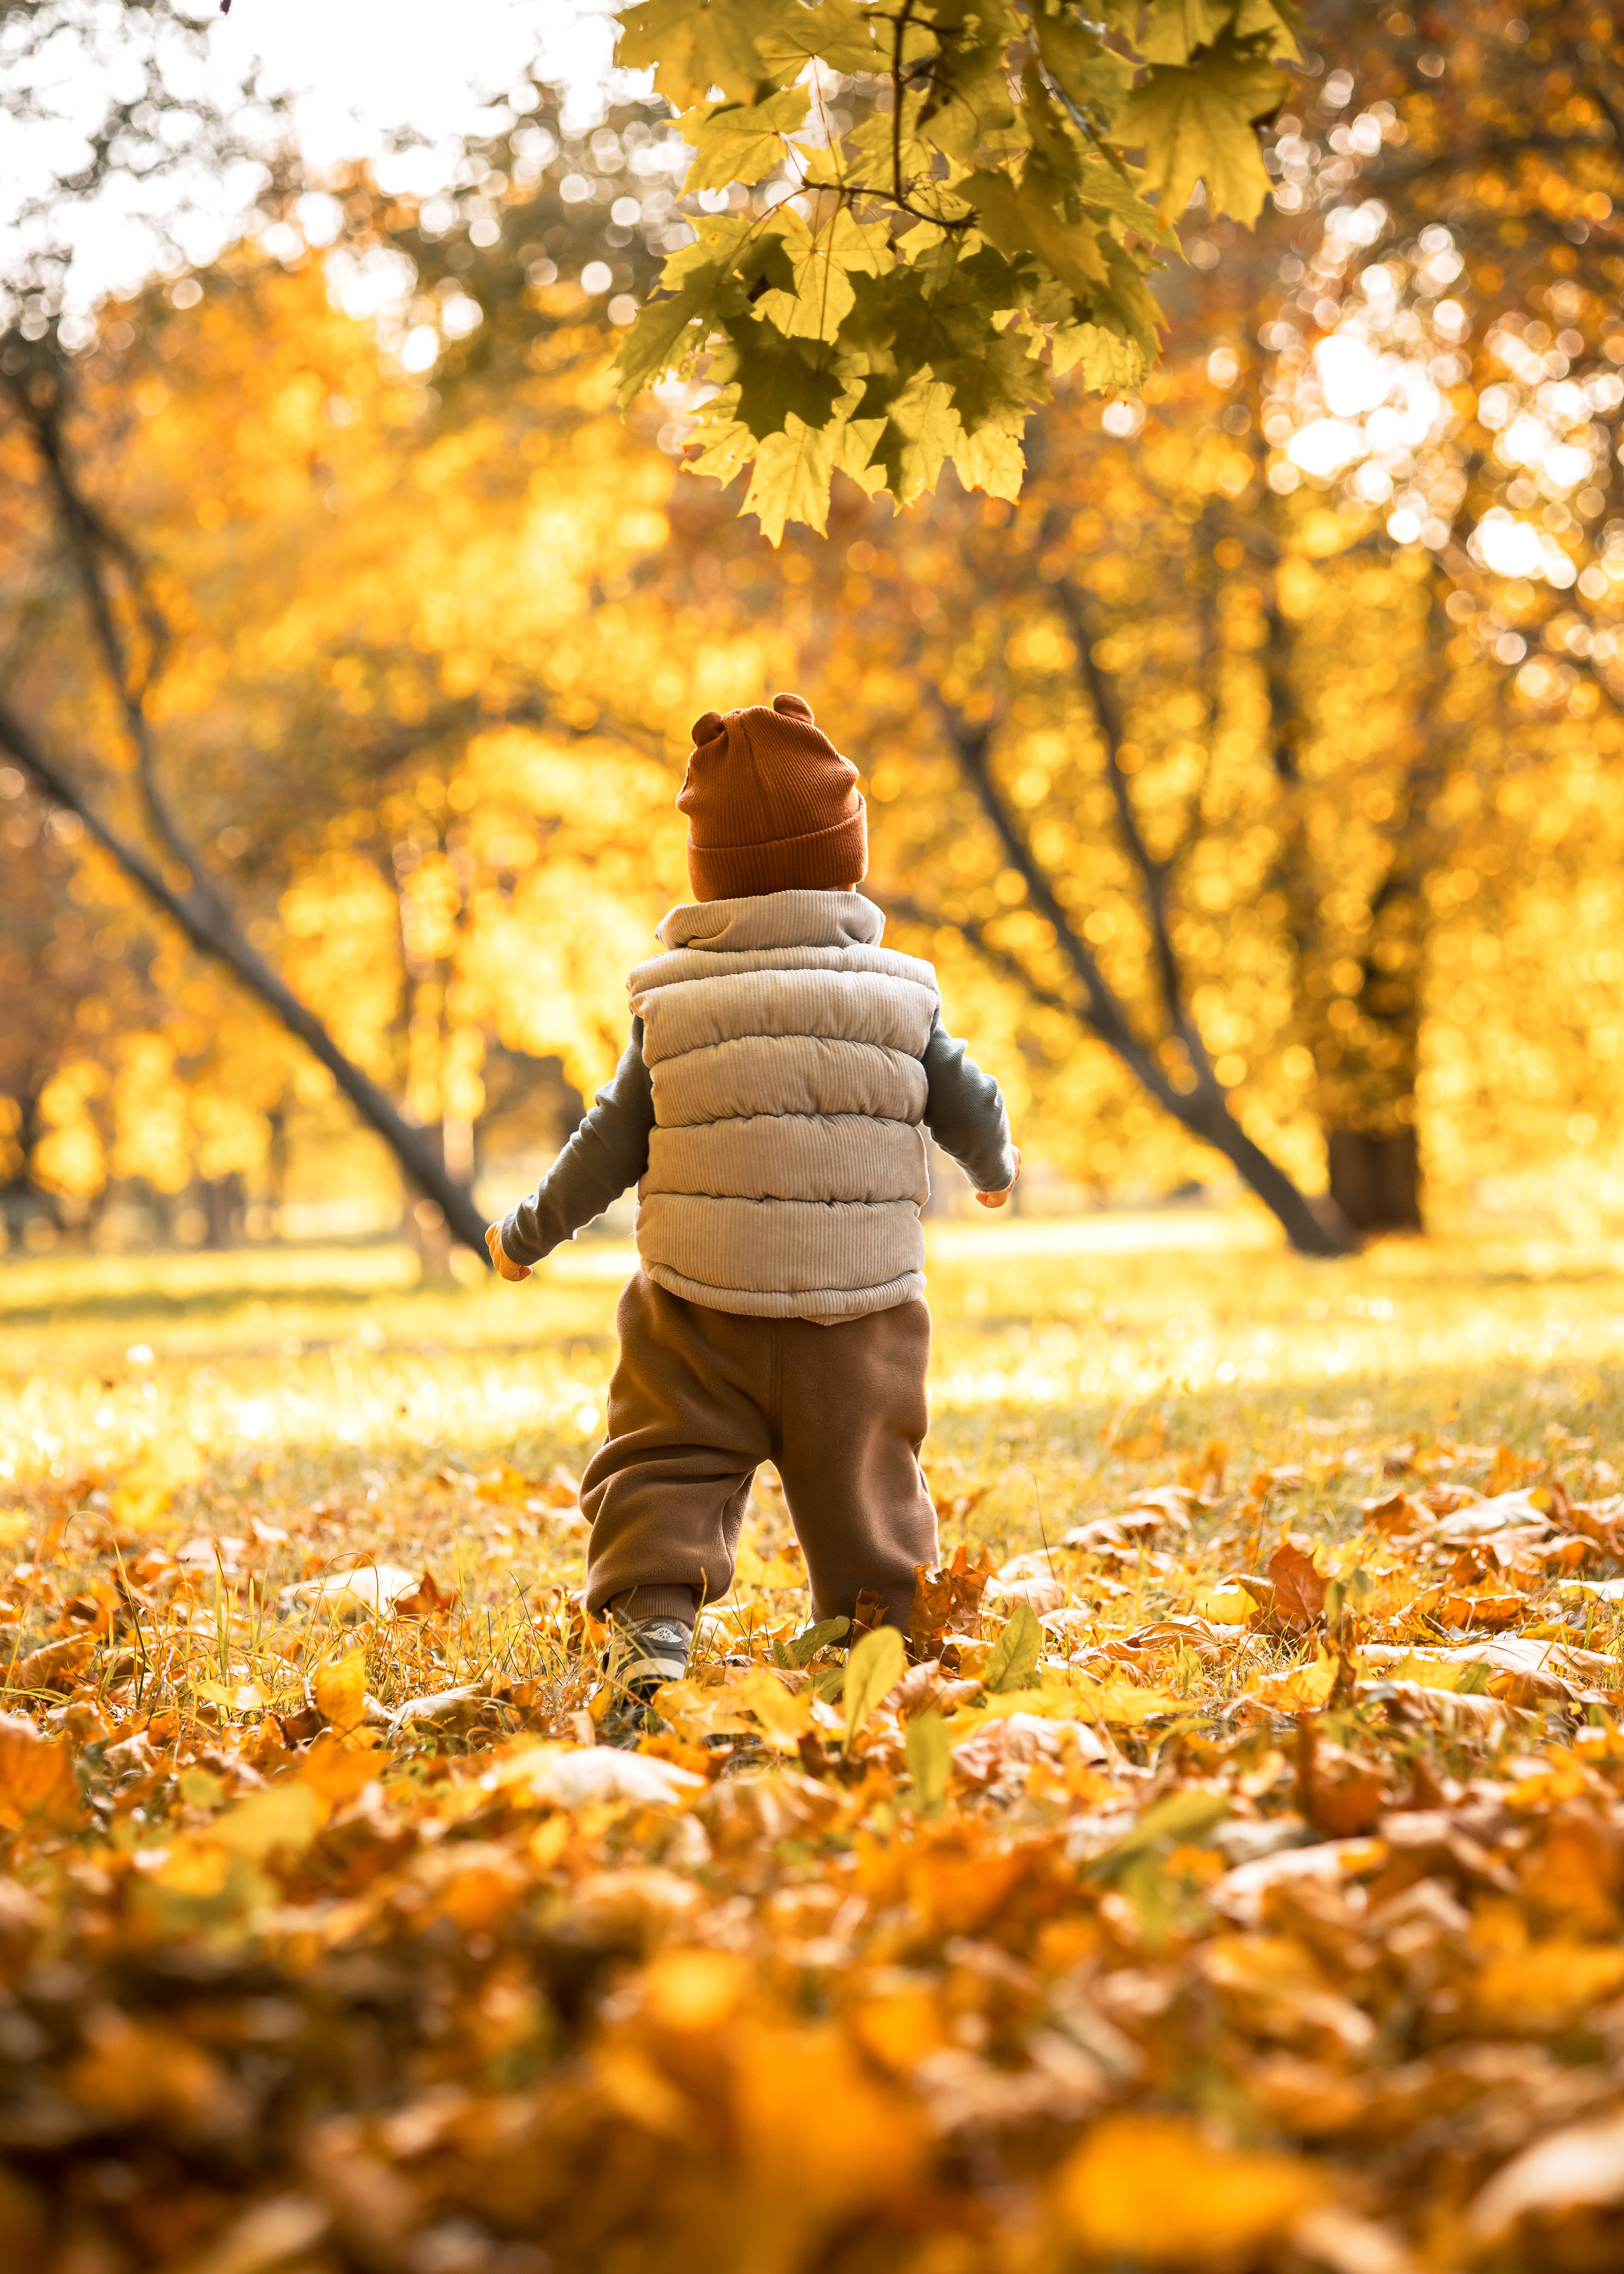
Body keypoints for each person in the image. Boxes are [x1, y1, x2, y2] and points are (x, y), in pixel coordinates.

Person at [487, 693, 1018, 1697]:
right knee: (870, 1483)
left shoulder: (671, 1002)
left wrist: (525, 1234)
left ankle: (652, 1630)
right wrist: (992, 1170)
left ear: (710, 875)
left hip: (697, 1307)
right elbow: (973, 1103)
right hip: (860, 1310)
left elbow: (607, 1145)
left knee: (665, 1463)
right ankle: (884, 1648)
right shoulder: (904, 994)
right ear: (845, 856)